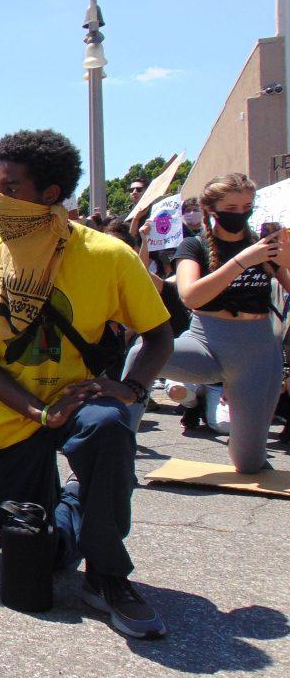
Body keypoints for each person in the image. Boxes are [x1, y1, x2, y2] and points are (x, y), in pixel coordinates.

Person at [0, 128, 173, 639]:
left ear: (51, 195)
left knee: (108, 428)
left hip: (83, 398)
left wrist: (131, 389)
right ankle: (74, 504)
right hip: (13, 412)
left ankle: (109, 576)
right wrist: (37, 411)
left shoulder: (108, 254)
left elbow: (159, 337)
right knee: (36, 559)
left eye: (12, 187)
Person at [128, 173, 289, 473]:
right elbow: (191, 296)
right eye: (232, 207)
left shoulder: (263, 246)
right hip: (205, 342)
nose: (241, 214)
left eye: (247, 206)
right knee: (141, 352)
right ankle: (119, 438)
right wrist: (242, 261)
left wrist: (287, 259)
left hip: (257, 352)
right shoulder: (194, 247)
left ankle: (243, 440)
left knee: (249, 463)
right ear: (211, 210)